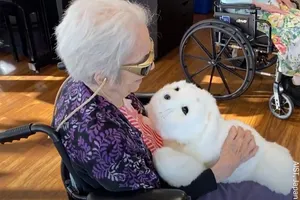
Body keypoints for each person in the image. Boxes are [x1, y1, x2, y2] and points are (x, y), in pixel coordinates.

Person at [52, 0, 291, 199]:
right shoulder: (104, 142)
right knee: (281, 190)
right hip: (180, 188)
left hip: (171, 153)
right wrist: (223, 166)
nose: (153, 66)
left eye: (151, 51)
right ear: (103, 75)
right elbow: (162, 195)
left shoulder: (87, 81)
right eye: (143, 64)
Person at [220, 0, 300, 106]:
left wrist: (289, 7)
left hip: (270, 7)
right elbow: (254, 3)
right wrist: (273, 8)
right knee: (296, 33)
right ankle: (296, 81)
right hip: (257, 13)